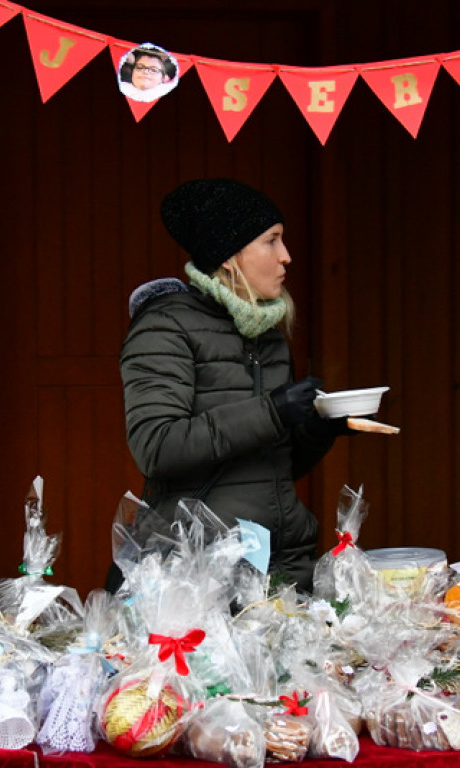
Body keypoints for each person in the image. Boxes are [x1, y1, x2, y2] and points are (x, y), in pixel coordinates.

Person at [114, 178, 352, 593]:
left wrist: (316, 431)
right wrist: (273, 411)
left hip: (281, 566)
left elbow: (267, 470)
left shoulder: (269, 335)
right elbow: (156, 447)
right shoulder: (164, 326)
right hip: (199, 574)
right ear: (229, 256)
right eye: (272, 241)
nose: (287, 257)